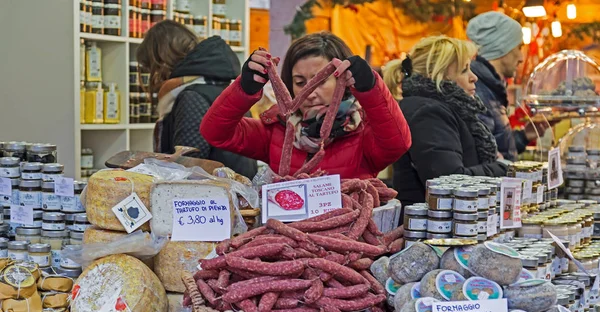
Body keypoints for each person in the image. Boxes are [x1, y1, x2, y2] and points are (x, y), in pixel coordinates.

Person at [199, 32, 411, 179]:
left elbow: (398, 143)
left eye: (320, 81)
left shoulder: (362, 131)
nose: (310, 92)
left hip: (351, 241)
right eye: (300, 82)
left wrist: (371, 89)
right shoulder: (276, 130)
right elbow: (215, 132)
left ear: (343, 80)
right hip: (286, 239)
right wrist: (243, 89)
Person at [393, 36, 509, 207]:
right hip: (434, 227)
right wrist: (502, 168)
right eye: (464, 70)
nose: (474, 77)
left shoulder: (449, 107)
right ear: (438, 75)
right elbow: (448, 180)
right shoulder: (428, 112)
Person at [136, 20, 257, 178]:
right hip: (233, 192)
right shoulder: (223, 87)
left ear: (163, 61)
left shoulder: (192, 96)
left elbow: (189, 164)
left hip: (211, 197)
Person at [467, 11, 534, 161]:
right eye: (519, 47)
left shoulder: (491, 87)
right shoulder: (478, 92)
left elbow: (497, 147)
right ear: (502, 48)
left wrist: (524, 136)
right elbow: (487, 159)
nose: (522, 58)